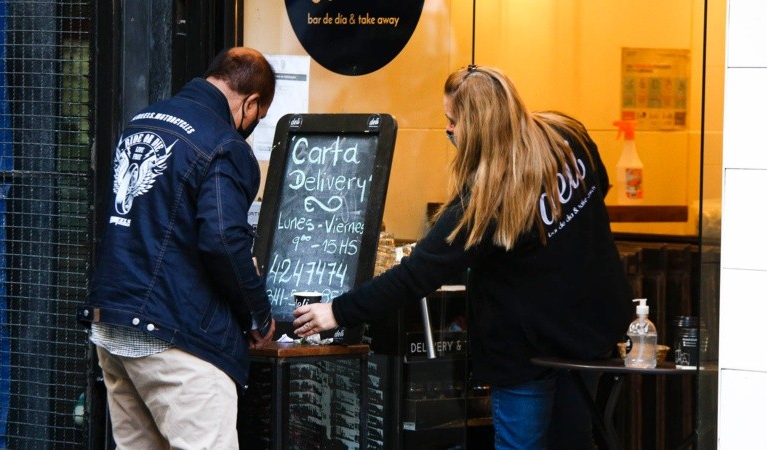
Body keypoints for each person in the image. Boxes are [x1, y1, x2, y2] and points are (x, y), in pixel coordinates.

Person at [293, 65, 632, 449]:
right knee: (574, 443)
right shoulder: (568, 136)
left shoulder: (485, 201)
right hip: (589, 331)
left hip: (529, 354)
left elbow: (415, 276)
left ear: (480, 125)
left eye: (453, 121)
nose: (448, 130)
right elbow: (599, 187)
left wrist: (336, 312)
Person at [78, 47, 276, 449]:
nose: (253, 125)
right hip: (175, 337)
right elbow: (223, 239)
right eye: (258, 115)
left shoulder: (140, 121)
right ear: (251, 102)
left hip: (113, 327)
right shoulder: (225, 144)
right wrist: (258, 316)